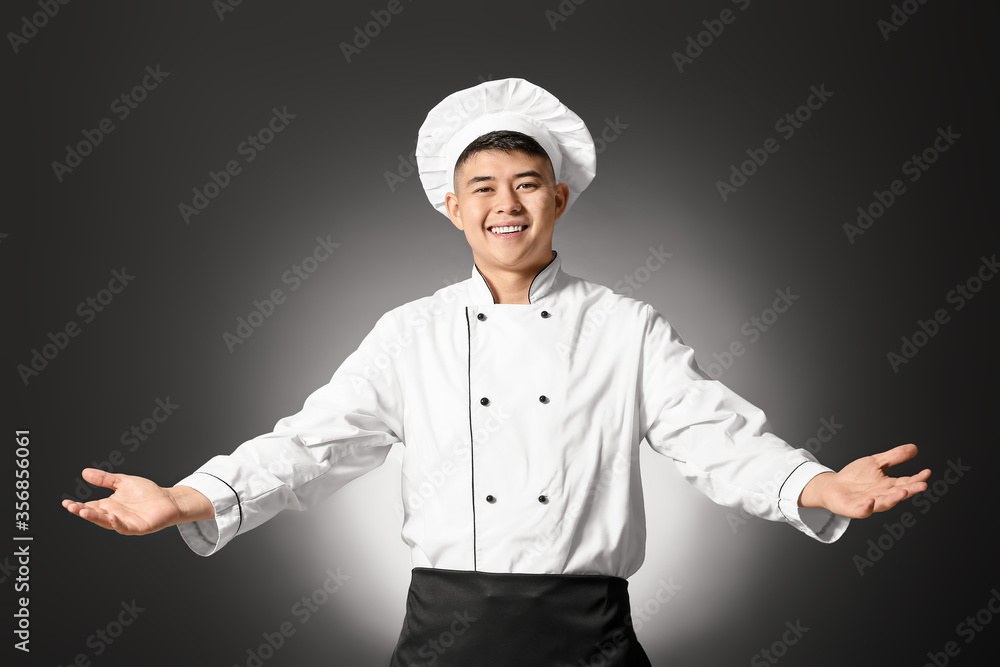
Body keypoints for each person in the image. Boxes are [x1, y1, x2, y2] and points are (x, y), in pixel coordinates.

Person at [62, 78, 931, 666]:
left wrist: (818, 485)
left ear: (560, 197)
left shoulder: (625, 328)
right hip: (443, 632)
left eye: (526, 183)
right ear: (452, 205)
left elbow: (716, 436)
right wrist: (186, 497)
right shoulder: (411, 334)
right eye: (482, 186)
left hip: (588, 633)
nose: (505, 205)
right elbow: (312, 447)